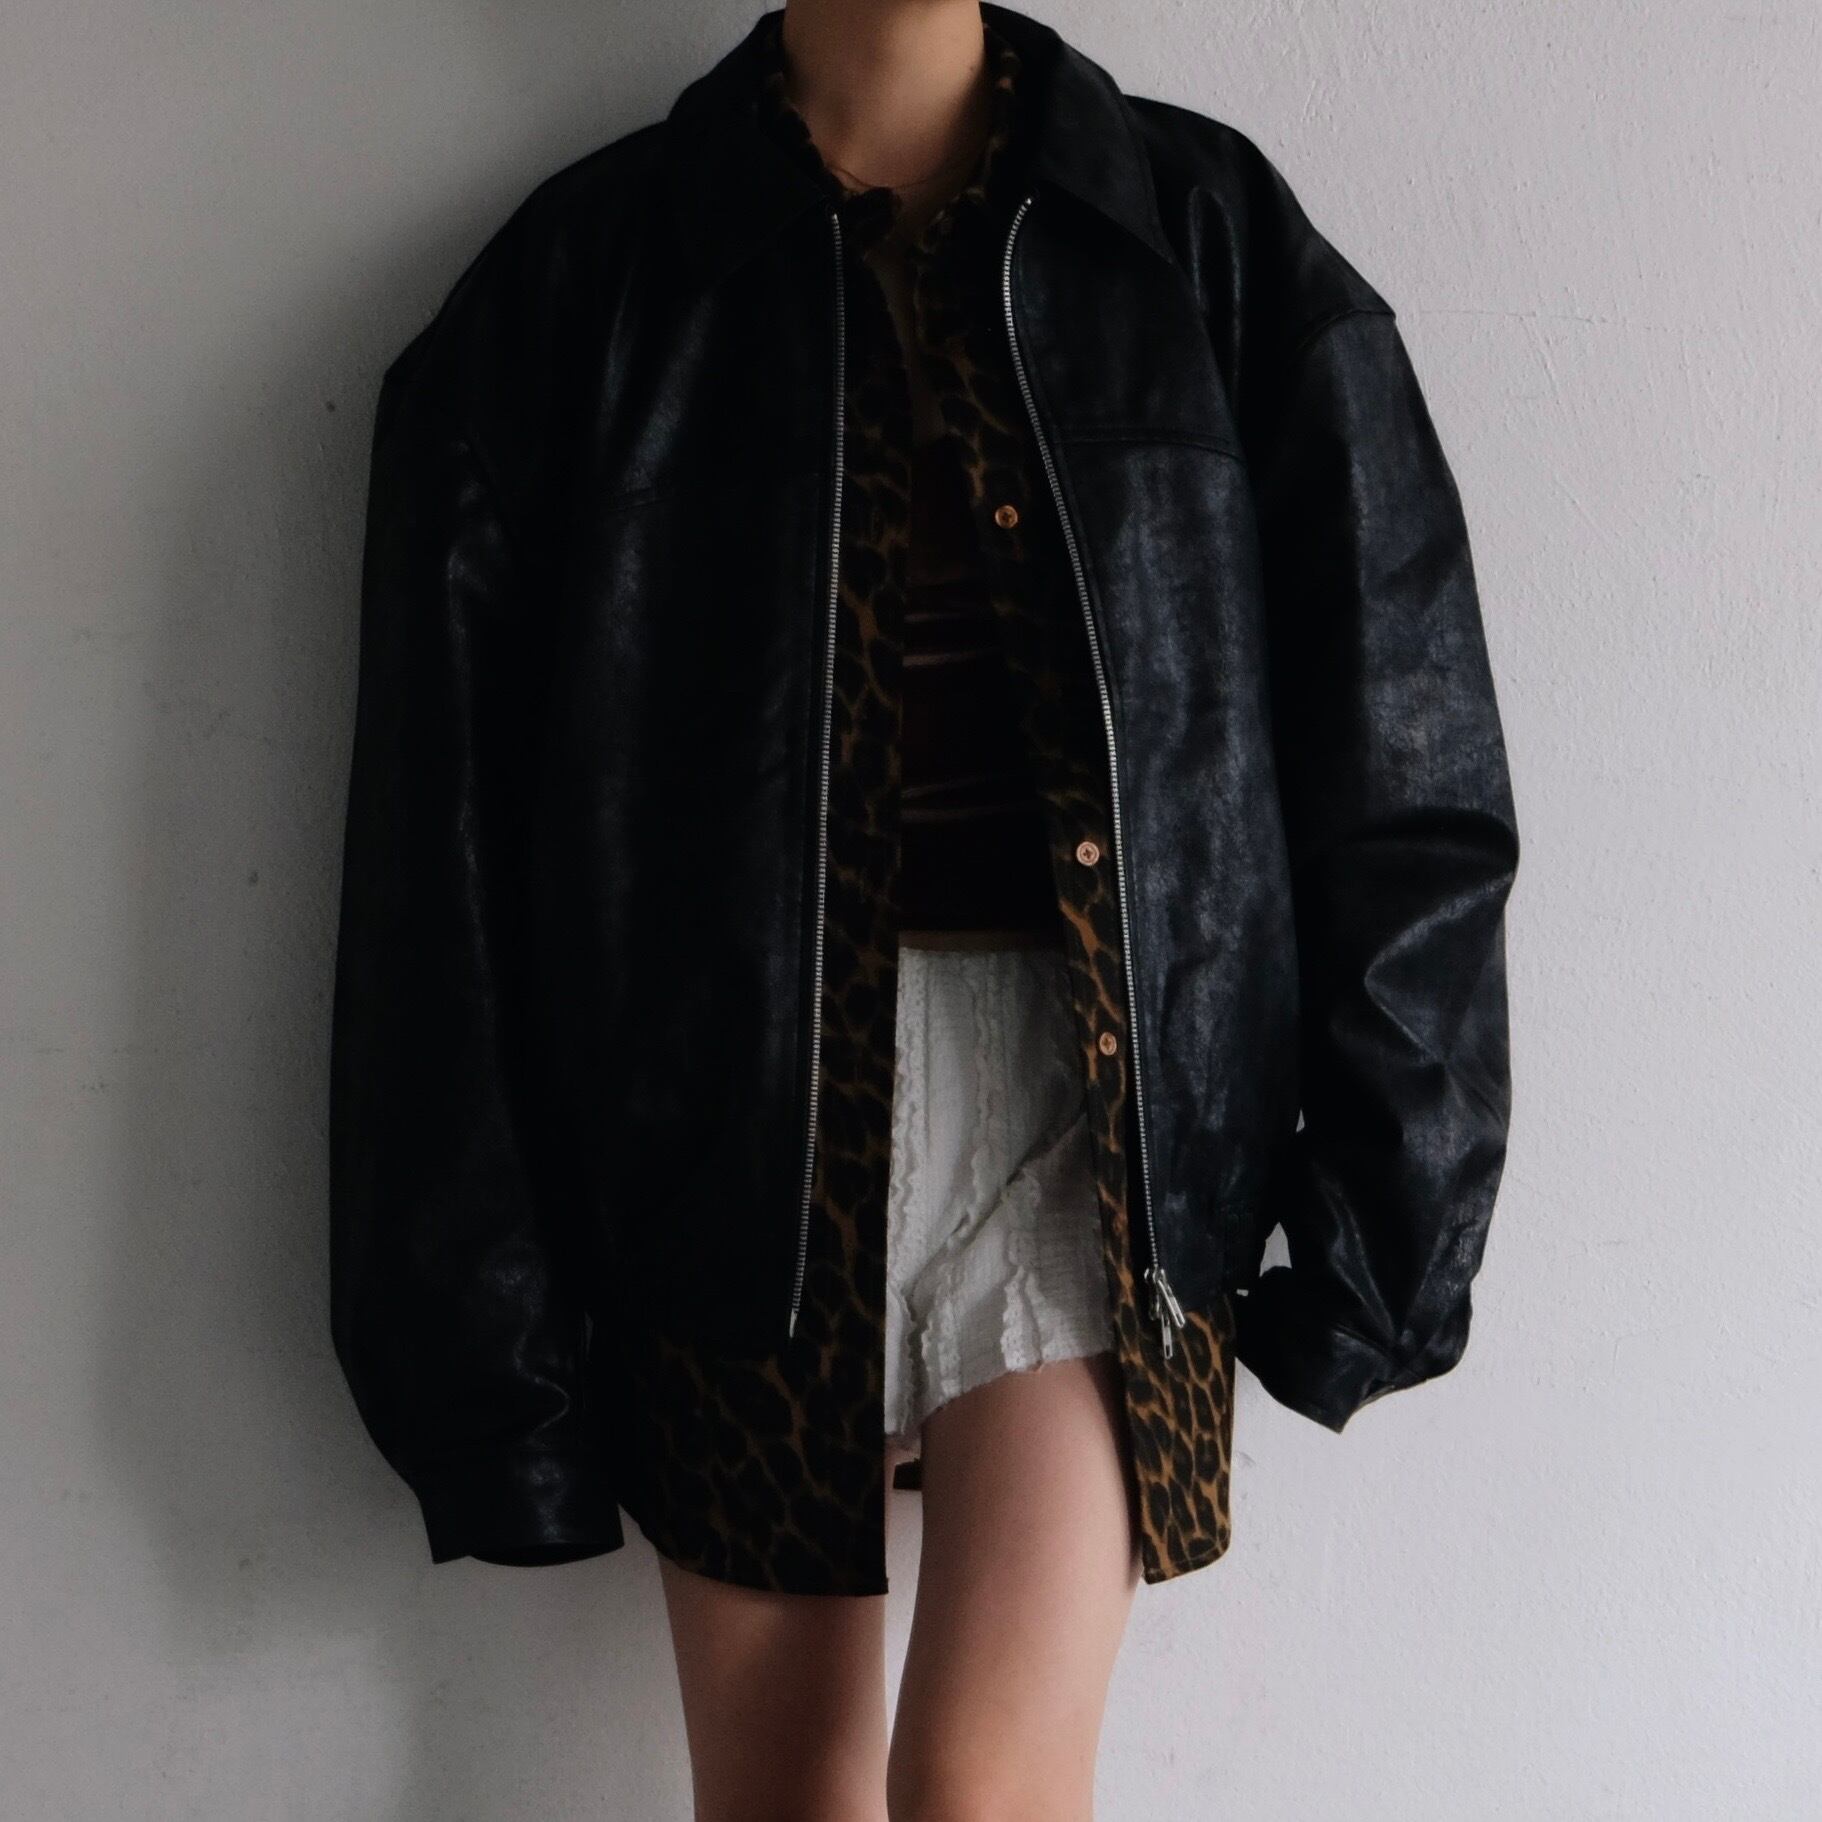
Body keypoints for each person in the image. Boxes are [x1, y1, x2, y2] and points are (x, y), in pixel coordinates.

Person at [328, 2, 1520, 1815]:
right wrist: (476, 1345)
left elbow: (1399, 749)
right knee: (785, 1794)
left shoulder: (1201, 238)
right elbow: (440, 856)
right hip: (725, 1136)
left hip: (1096, 1123)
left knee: (983, 1781)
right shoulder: (590, 275)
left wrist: (1387, 1215)